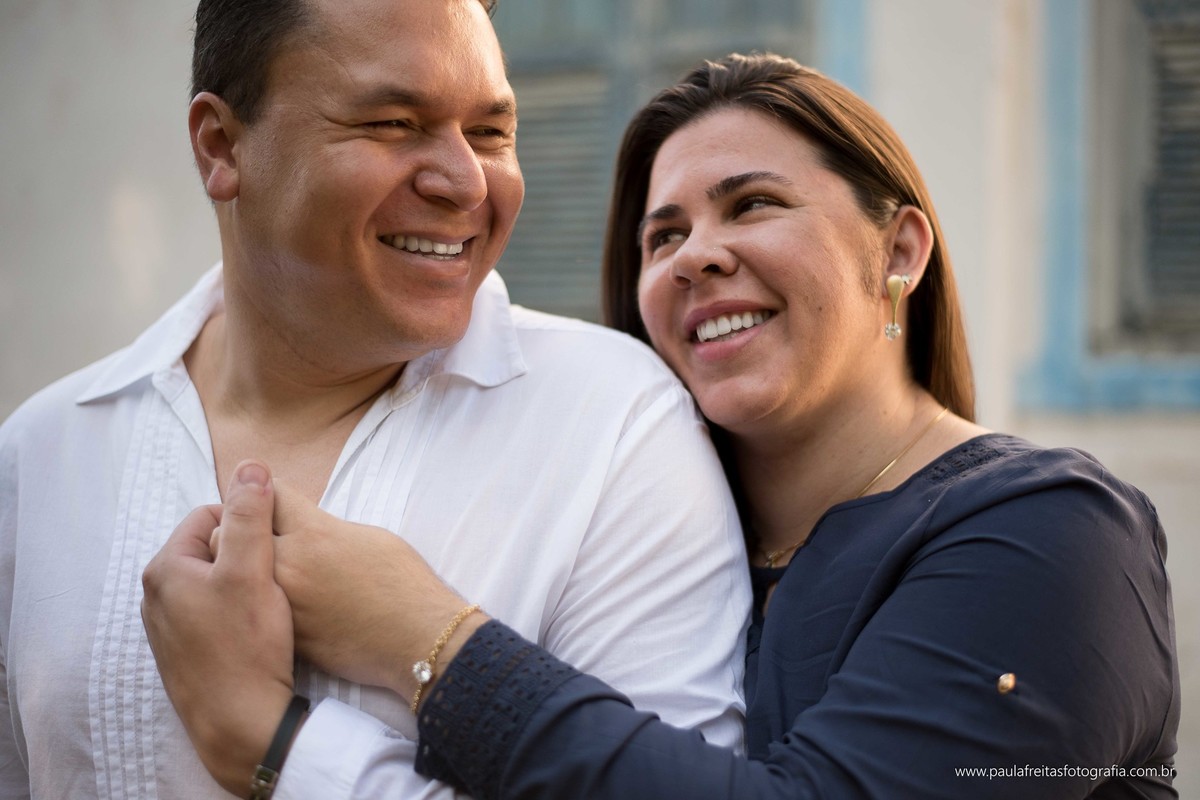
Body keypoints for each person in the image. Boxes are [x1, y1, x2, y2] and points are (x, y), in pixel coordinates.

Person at [144, 52, 1181, 798]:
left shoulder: (1051, 536)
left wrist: (417, 643)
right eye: (663, 234)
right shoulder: (643, 533)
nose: (696, 256)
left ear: (900, 251)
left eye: (754, 203)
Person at [0, 1, 755, 797]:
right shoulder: (42, 457)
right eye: (394, 123)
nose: (466, 182)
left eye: (491, 132)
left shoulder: (616, 427)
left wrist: (279, 747)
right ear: (221, 145)